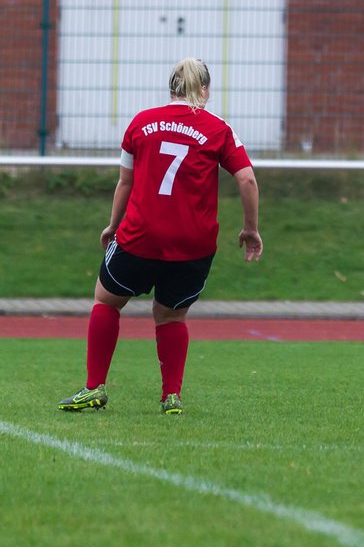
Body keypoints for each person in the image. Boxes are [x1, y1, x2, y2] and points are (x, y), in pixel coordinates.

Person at [58, 58, 262, 415]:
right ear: (205, 90)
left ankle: (94, 388)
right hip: (193, 245)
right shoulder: (218, 129)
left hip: (141, 236)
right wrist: (250, 229)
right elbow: (246, 179)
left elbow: (126, 181)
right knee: (171, 316)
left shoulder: (141, 122)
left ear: (171, 88)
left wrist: (112, 224)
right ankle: (171, 397)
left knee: (106, 302)